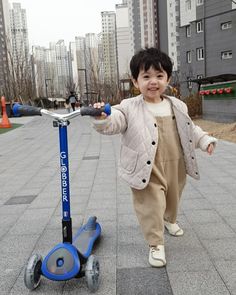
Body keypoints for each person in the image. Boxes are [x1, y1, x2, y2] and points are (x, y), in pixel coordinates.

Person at [92, 47, 217, 268]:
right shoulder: (128, 107)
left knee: (172, 198)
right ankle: (155, 243)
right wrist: (103, 118)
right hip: (146, 168)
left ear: (168, 78)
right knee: (151, 204)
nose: (153, 82)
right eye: (146, 76)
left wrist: (204, 140)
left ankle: (169, 220)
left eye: (159, 76)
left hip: (175, 164)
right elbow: (115, 123)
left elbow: (190, 128)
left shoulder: (177, 105)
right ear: (135, 81)